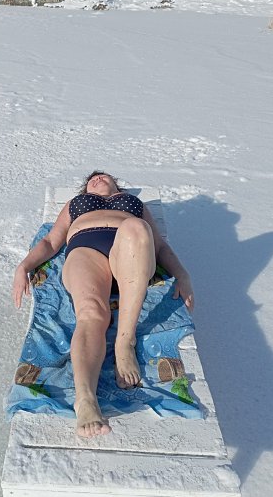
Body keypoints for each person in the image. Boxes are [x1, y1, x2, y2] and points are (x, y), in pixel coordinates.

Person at [13, 171, 194, 439]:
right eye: (92, 179)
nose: (97, 179)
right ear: (85, 188)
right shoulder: (76, 203)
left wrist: (182, 275)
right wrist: (23, 267)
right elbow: (50, 241)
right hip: (86, 252)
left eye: (103, 176)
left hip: (130, 254)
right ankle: (85, 400)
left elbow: (160, 246)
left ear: (116, 184)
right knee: (91, 313)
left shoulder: (134, 203)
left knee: (136, 227)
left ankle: (124, 341)